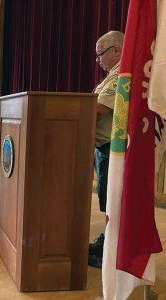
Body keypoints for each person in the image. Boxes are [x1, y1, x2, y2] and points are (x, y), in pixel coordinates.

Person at [88, 31, 124, 268]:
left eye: (100, 54)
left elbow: (97, 109)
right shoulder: (111, 76)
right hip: (104, 147)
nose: (98, 60)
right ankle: (109, 243)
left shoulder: (120, 75)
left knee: (113, 201)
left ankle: (112, 248)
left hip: (114, 149)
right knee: (108, 200)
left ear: (116, 51)